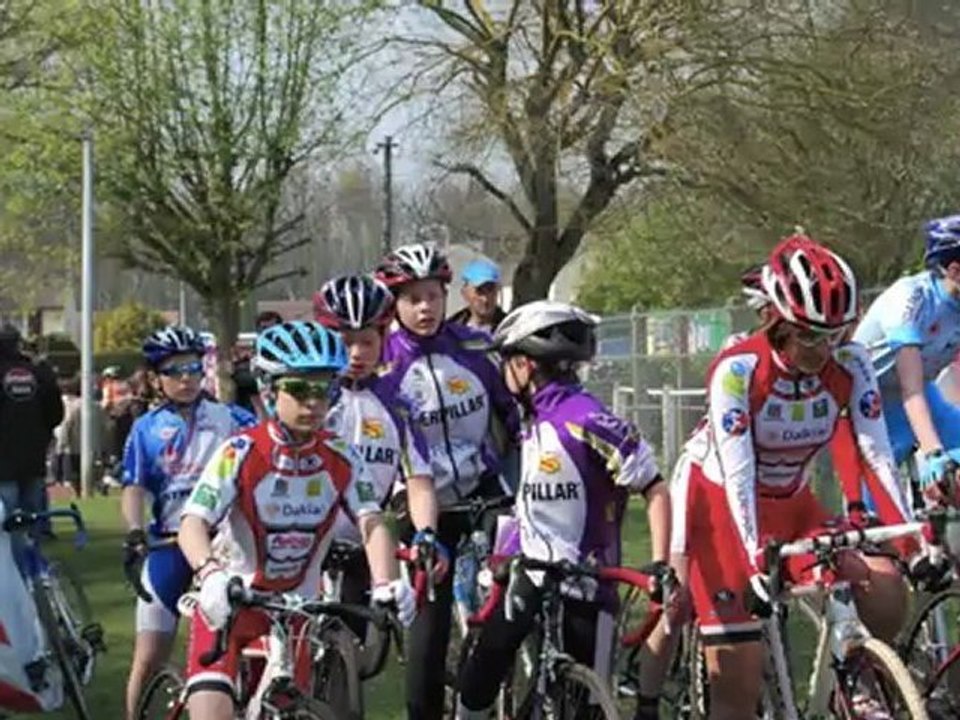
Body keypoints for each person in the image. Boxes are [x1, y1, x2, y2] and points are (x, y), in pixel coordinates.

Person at [677, 235, 918, 720]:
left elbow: (875, 451)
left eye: (833, 334)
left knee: (886, 585)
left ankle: (853, 681)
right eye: (808, 335)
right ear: (778, 322)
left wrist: (914, 541)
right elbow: (738, 472)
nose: (822, 349)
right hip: (722, 509)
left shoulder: (851, 363)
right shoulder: (739, 369)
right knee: (738, 690)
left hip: (793, 500)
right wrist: (751, 563)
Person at [177, 321, 415, 720]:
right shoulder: (240, 451)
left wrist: (385, 582)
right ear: (270, 390)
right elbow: (192, 525)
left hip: (295, 613)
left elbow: (371, 522)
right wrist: (210, 572)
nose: (314, 403)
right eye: (300, 389)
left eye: (324, 389)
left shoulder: (342, 456)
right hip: (230, 605)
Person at [456, 301, 671, 719]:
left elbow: (655, 488)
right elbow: (535, 503)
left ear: (524, 365)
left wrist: (660, 564)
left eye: (506, 362)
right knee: (481, 672)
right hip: (531, 574)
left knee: (583, 706)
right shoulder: (532, 420)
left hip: (588, 583)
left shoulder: (588, 418)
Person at [374, 242, 520, 720]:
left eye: (433, 296)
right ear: (395, 302)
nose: (425, 308)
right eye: (413, 298)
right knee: (430, 628)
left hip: (484, 490)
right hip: (422, 504)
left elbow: (512, 414)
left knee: (524, 587)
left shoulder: (474, 349)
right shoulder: (385, 365)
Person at [120, 325, 256, 720]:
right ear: (155, 378)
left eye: (193, 368)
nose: (185, 378)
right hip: (167, 545)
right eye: (174, 370)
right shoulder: (145, 428)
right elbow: (134, 487)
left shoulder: (233, 417)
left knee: (237, 650)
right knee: (148, 656)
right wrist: (133, 530)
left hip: (224, 546)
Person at [853, 215, 960, 504]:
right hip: (869, 401)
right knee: (879, 519)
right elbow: (909, 386)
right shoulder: (910, 297)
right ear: (955, 270)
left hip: (922, 394)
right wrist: (933, 451)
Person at [0, 324, 63, 537]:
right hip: (33, 458)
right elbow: (55, 413)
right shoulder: (38, 372)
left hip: (3, 463)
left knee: (7, 526)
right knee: (31, 523)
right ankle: (32, 566)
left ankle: (16, 567)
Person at [448, 257, 507, 335]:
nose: (485, 299)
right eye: (479, 291)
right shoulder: (450, 330)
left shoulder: (509, 329)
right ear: (465, 293)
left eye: (490, 290)